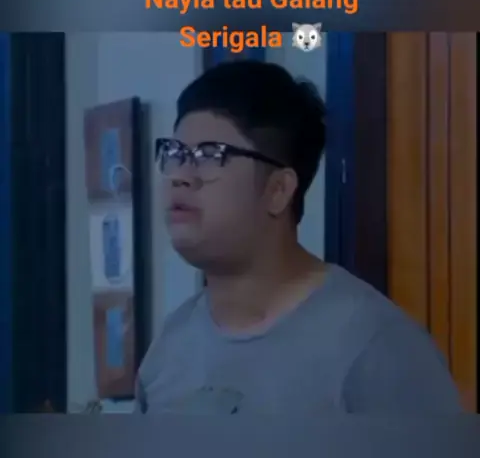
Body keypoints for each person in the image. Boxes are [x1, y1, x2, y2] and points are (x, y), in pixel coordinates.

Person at [135, 60, 462, 414]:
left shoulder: (374, 347)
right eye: (175, 154)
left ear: (278, 190)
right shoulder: (169, 349)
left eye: (211, 155)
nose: (180, 176)